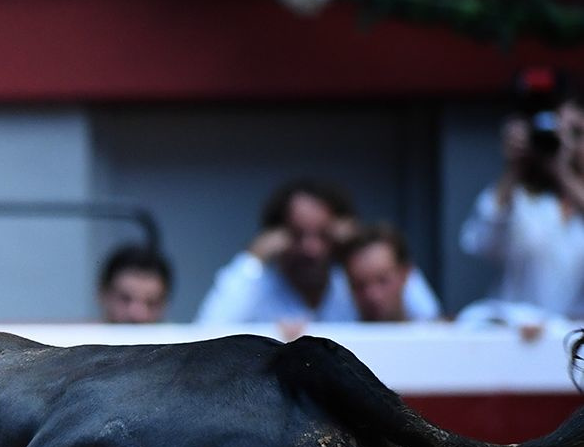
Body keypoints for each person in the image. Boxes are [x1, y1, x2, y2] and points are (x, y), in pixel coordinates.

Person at [194, 178, 441, 327]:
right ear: (277, 237)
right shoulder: (257, 288)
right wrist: (252, 258)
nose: (311, 249)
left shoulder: (353, 284)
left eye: (323, 235)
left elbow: (426, 316)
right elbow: (207, 331)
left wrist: (360, 238)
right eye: (297, 235)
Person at [458, 74, 584, 321]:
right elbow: (477, 242)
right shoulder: (521, 197)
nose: (566, 141)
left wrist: (563, 171)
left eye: (576, 132)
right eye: (556, 129)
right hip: (521, 337)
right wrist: (513, 168)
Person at [342, 224, 420, 323]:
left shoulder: (435, 335)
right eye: (360, 285)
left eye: (382, 280)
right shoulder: (332, 334)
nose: (372, 296)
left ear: (405, 274)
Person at [96, 245, 173, 324]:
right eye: (125, 299)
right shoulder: (84, 335)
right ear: (103, 294)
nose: (137, 315)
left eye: (151, 303)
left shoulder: (179, 336)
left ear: (164, 305)